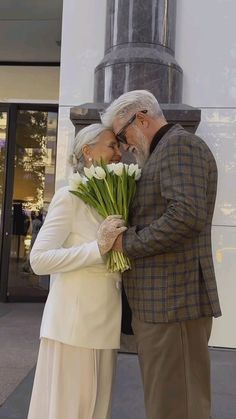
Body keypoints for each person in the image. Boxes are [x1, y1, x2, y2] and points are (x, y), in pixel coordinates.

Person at [101, 90, 222, 419]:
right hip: (162, 305)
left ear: (141, 118)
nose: (125, 147)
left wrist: (127, 243)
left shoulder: (179, 146)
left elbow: (185, 216)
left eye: (123, 136)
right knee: (167, 402)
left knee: (177, 406)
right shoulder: (164, 152)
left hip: (174, 304)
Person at [27, 124, 126, 419]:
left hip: (105, 325)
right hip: (73, 328)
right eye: (111, 145)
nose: (119, 153)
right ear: (88, 152)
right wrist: (97, 248)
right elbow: (39, 259)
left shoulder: (111, 196)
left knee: (96, 410)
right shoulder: (70, 196)